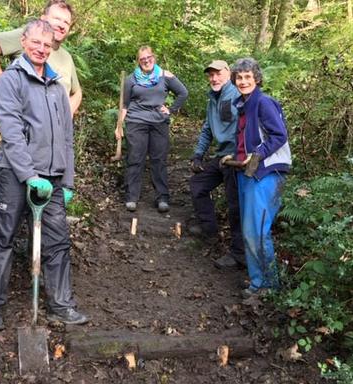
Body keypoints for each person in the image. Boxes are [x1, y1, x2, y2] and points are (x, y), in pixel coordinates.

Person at [0, 19, 88, 330]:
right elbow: (11, 133)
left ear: (53, 46)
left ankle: (60, 305)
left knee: (57, 242)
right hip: (15, 173)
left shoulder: (56, 84)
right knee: (2, 237)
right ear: (23, 42)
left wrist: (67, 181)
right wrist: (28, 176)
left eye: (46, 43)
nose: (41, 48)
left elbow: (66, 137)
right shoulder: (11, 80)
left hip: (52, 177)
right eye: (35, 42)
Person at [229, 58, 291, 298]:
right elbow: (248, 138)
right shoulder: (242, 105)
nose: (243, 81)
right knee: (249, 230)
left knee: (257, 229)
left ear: (256, 78)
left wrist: (257, 155)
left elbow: (279, 136)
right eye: (239, 77)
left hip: (266, 173)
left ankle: (268, 286)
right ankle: (258, 281)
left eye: (247, 77)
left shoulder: (264, 103)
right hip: (247, 172)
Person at [0, 0, 82, 116]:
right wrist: (3, 82)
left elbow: (77, 92)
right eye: (57, 19)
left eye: (66, 22)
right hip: (25, 127)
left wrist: (66, 116)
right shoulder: (28, 38)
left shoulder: (66, 57)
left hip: (57, 131)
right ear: (43, 18)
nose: (61, 25)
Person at [189, 60, 245, 269]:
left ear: (228, 74)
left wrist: (239, 156)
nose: (214, 78)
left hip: (235, 159)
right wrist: (198, 155)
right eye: (210, 75)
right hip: (221, 157)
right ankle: (209, 230)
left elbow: (246, 127)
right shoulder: (213, 99)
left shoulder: (237, 96)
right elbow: (207, 129)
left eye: (218, 74)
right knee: (198, 185)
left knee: (234, 206)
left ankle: (239, 254)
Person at [117, 46, 188, 213]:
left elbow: (183, 93)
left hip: (159, 123)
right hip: (136, 122)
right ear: (138, 62)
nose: (146, 61)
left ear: (154, 58)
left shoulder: (165, 76)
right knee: (135, 158)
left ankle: (162, 197)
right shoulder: (131, 79)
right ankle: (131, 197)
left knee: (159, 160)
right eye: (143, 59)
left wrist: (170, 110)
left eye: (149, 57)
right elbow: (124, 105)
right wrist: (119, 125)